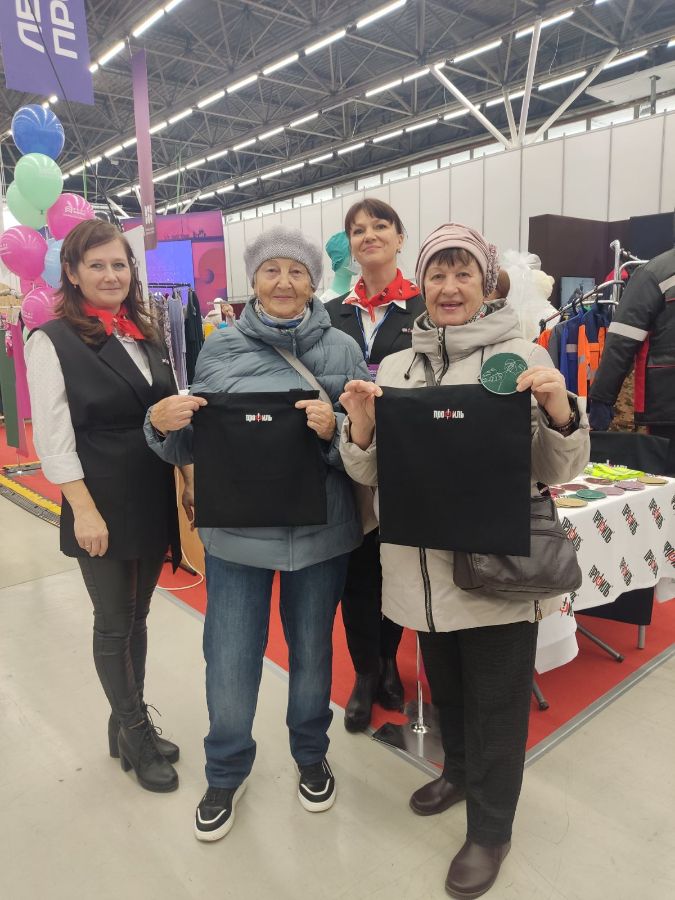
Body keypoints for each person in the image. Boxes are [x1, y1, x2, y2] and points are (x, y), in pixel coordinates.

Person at [339, 223, 589, 899]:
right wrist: (360, 424)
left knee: (497, 705)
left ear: (486, 284)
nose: (449, 288)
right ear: (420, 284)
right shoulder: (396, 367)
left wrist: (558, 409)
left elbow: (559, 469)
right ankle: (456, 773)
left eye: (463, 274)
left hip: (497, 569)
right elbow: (370, 472)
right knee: (446, 690)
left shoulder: (522, 356)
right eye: (437, 274)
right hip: (421, 568)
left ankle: (490, 829)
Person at [146, 226, 369, 842]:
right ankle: (225, 771)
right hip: (238, 535)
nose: (284, 282)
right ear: (254, 280)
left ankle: (310, 754)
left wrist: (334, 430)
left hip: (321, 531)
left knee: (313, 653)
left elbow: (366, 448)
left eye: (297, 271)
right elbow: (197, 442)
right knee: (230, 656)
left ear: (314, 282)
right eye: (272, 270)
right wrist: (160, 425)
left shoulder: (342, 349)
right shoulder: (219, 348)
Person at [25, 219, 182, 794]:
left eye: (119, 264)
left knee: (138, 618)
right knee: (114, 623)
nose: (111, 275)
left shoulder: (145, 332)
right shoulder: (52, 340)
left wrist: (186, 477)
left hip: (150, 494)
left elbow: (166, 412)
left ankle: (127, 723)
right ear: (71, 273)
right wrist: (83, 510)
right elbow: (53, 438)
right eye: (97, 265)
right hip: (101, 500)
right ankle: (135, 733)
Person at [324, 198, 426, 733]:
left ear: (399, 236)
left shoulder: (425, 307)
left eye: (380, 225)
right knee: (358, 574)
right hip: (347, 458)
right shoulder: (329, 313)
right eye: (357, 229)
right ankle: (366, 672)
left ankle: (390, 661)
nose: (369, 235)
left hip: (407, 462)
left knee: (397, 568)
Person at [589, 246, 675, 474]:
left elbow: (622, 340)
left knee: (665, 483)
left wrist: (601, 401)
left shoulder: (656, 273)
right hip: (666, 404)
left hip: (666, 405)